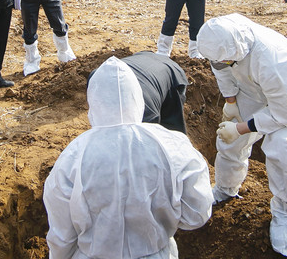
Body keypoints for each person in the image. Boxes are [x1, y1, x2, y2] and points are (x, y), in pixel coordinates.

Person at [43, 56, 213, 258]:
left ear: (93, 102)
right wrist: (160, 226)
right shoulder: (172, 145)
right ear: (138, 98)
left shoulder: (73, 155)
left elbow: (62, 234)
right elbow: (197, 212)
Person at [196, 13, 287, 256]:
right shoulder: (220, 38)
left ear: (235, 52)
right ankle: (225, 188)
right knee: (227, 140)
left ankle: (285, 209)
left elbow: (281, 115)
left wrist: (241, 128)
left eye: (224, 60)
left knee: (282, 148)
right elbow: (221, 68)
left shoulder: (277, 61)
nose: (218, 62)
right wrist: (230, 102)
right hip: (250, 85)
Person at [89, 51, 189, 134]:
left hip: (170, 73)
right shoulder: (96, 79)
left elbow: (146, 139)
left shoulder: (148, 112)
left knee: (169, 132)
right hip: (142, 60)